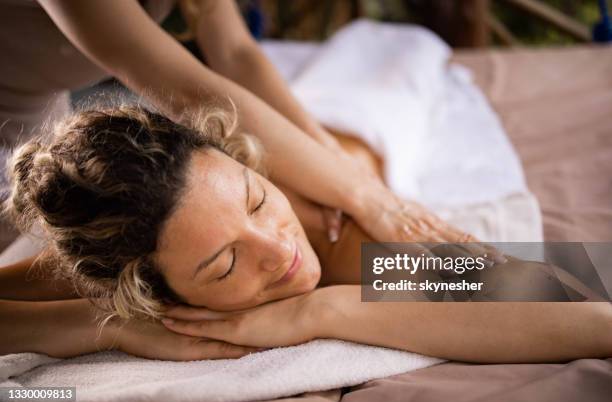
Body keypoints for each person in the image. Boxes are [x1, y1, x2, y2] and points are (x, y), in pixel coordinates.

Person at [1, 105, 610, 363]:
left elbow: (582, 303)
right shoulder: (152, 236)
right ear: (155, 297)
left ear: (244, 163)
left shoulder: (368, 252)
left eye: (259, 200)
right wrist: (97, 327)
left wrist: (324, 309)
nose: (278, 249)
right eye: (223, 265)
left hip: (349, 127)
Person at [0, 0, 466, 261]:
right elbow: (186, 89)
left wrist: (341, 170)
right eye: (224, 265)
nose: (279, 249)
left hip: (40, 106)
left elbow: (235, 53)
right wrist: (364, 197)